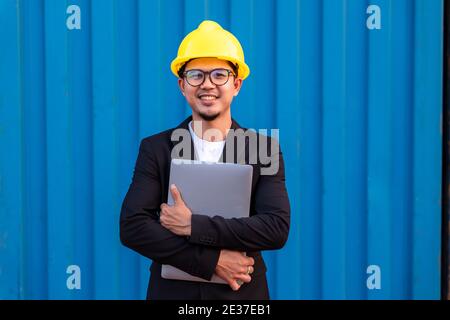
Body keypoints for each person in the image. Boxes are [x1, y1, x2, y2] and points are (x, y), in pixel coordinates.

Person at [120, 20, 290, 300]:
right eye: (196, 75)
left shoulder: (263, 148)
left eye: (219, 75)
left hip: (240, 297)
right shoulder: (156, 148)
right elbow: (133, 227)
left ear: (236, 84)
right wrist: (211, 261)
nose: (207, 84)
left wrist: (192, 225)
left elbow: (275, 228)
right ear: (182, 85)